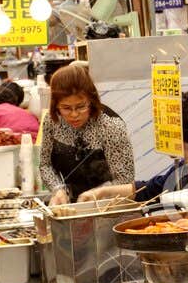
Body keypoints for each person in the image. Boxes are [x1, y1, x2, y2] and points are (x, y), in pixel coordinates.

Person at [82, 92, 188, 205]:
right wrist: (101, 193)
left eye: (162, 131)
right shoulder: (183, 167)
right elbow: (146, 190)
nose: (158, 137)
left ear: (177, 135)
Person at [38, 62, 133, 204]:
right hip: (70, 207)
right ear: (55, 105)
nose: (74, 114)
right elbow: (45, 165)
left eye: (81, 106)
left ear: (91, 100)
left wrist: (96, 194)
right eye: (66, 108)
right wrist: (58, 189)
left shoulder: (110, 126)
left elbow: (125, 181)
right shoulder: (52, 121)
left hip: (108, 208)